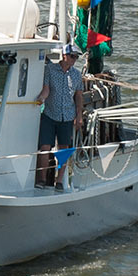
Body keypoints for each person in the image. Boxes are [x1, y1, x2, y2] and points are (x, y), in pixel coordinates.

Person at [34, 43, 84, 190]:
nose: (74, 60)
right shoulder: (49, 70)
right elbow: (46, 89)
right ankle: (42, 179)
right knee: (45, 147)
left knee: (63, 149)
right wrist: (41, 98)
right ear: (64, 56)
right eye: (72, 56)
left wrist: (79, 115)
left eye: (76, 57)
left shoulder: (76, 75)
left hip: (67, 117)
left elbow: (79, 96)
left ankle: (59, 180)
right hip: (49, 114)